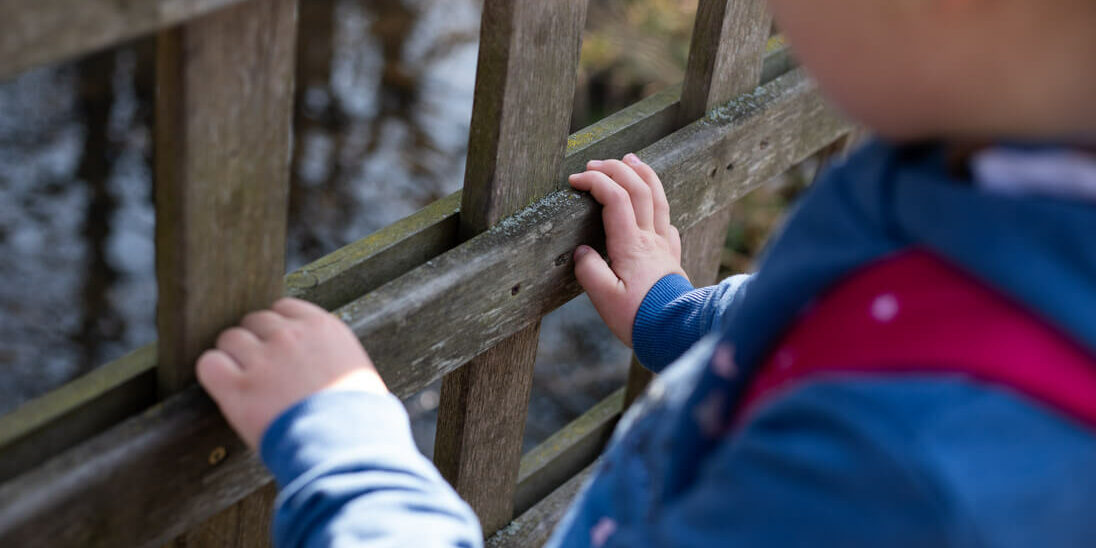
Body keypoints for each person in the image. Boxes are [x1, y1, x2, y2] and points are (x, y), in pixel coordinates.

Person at [197, 0, 1096, 545]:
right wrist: (683, 319)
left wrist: (347, 451)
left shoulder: (897, 474)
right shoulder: (1004, 182)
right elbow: (901, 320)